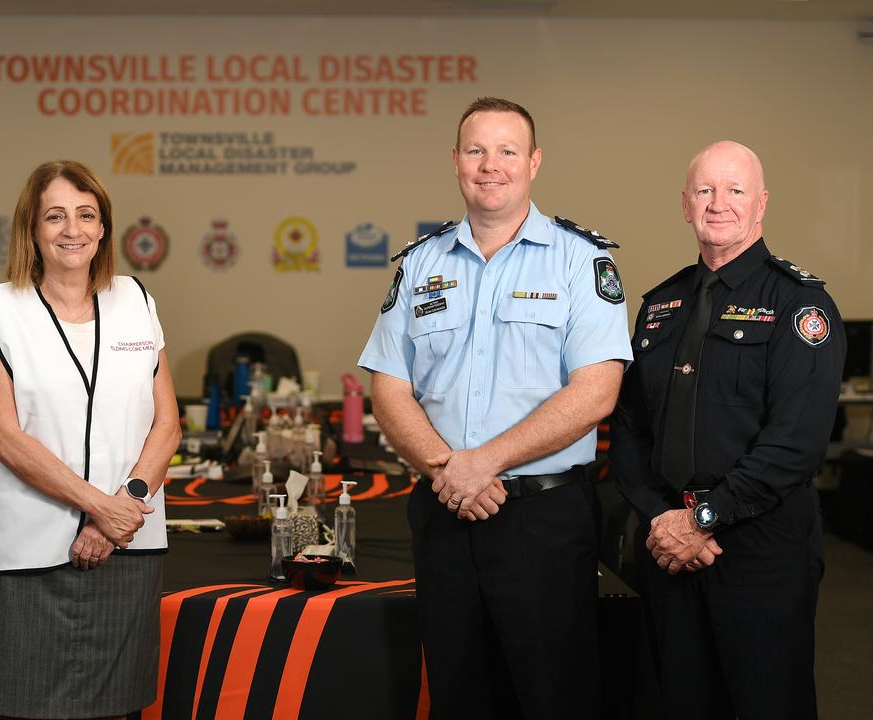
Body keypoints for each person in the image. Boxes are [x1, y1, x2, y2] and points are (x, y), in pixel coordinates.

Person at [358, 97, 632, 718]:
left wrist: (482, 463)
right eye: (476, 150)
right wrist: (446, 468)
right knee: (457, 693)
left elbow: (596, 391)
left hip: (543, 521)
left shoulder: (581, 260)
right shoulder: (421, 264)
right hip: (443, 512)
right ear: (455, 161)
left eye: (507, 150)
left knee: (553, 695)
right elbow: (390, 387)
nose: (491, 166)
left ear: (533, 162)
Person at [609, 141, 845, 719]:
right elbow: (631, 429)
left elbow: (794, 445)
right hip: (670, 548)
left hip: (761, 549)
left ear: (760, 204)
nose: (720, 203)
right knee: (680, 704)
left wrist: (703, 519)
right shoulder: (661, 306)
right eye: (705, 190)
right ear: (685, 205)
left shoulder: (799, 305)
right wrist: (664, 519)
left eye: (735, 190)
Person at [0, 160, 180, 719]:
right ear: (31, 228)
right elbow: (3, 436)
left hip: (125, 548)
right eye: (54, 216)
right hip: (26, 553)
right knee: (22, 706)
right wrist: (101, 509)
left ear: (104, 227)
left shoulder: (136, 300)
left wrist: (120, 509)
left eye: (86, 215)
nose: (72, 229)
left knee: (117, 706)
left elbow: (167, 424)